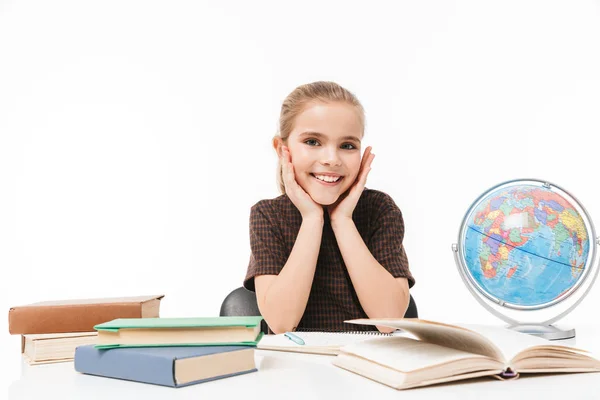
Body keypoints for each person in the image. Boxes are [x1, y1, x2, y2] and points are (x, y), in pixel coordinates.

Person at [244, 81, 415, 334]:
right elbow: (281, 324)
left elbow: (387, 320)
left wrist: (342, 220)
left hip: (367, 364)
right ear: (283, 150)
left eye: (347, 146)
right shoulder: (268, 215)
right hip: (295, 366)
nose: (331, 160)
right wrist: (312, 219)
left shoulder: (380, 210)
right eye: (312, 142)